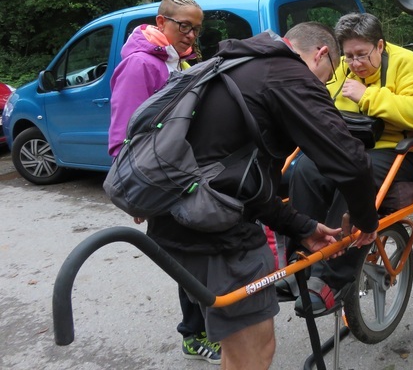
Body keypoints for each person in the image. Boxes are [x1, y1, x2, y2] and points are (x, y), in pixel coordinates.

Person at [146, 21, 379, 370]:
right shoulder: (289, 74)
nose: (323, 85)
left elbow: (240, 179)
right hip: (215, 232)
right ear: (321, 54)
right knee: (254, 353)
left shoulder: (232, 63)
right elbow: (351, 161)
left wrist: (300, 226)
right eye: (326, 76)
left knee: (238, 349)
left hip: (174, 220)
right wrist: (367, 222)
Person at [284, 12, 413, 314]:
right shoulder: (342, 68)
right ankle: (302, 263)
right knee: (305, 168)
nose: (354, 64)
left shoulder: (407, 64)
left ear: (380, 46)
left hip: (406, 152)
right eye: (348, 56)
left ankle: (332, 280)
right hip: (354, 148)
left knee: (352, 175)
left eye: (362, 55)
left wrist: (369, 95)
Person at [108, 0, 223, 364]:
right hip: (159, 178)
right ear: (161, 22)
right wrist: (135, 194)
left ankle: (208, 327)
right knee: (185, 257)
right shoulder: (141, 64)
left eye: (196, 28)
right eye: (183, 26)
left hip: (184, 170)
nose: (191, 35)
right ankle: (193, 336)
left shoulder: (179, 61)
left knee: (199, 253)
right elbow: (123, 134)